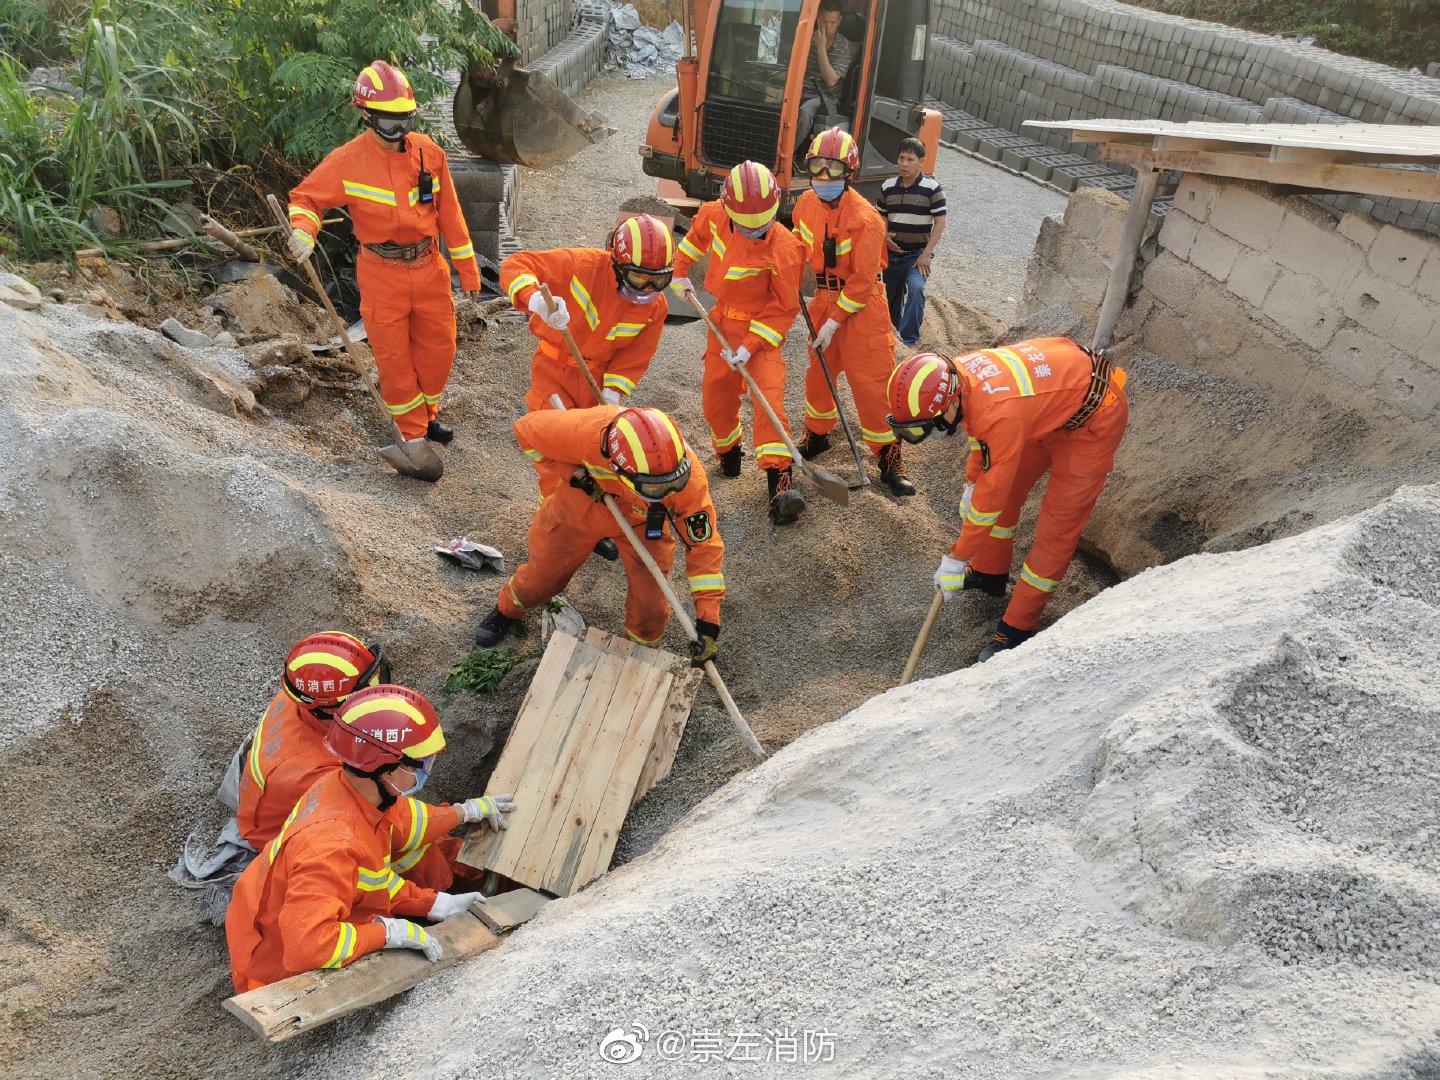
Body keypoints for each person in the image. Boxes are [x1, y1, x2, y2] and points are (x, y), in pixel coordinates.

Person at [226, 684, 514, 991]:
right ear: (387, 771)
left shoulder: (350, 789)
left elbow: (382, 866)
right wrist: (386, 933)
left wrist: (436, 903)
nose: (427, 770)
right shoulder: (331, 847)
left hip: (273, 918)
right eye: (420, 763)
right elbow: (307, 948)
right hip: (270, 970)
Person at [885, 339, 1128, 661]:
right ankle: (989, 573)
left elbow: (990, 501)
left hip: (1094, 417)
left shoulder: (1000, 411)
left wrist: (956, 559)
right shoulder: (960, 376)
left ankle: (1017, 628)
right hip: (1045, 410)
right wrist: (972, 483)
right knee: (1008, 494)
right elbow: (978, 434)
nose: (928, 435)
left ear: (948, 403)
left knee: (1057, 528)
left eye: (924, 428)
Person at [287, 60, 482, 447]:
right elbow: (306, 197)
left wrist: (469, 272)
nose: (399, 131)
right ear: (366, 116)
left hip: (429, 268)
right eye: (390, 122)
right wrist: (304, 231)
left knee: (439, 350)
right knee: (394, 361)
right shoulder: (347, 162)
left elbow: (451, 216)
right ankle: (411, 436)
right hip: (381, 274)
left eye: (405, 120)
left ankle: (427, 416)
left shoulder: (428, 153)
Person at [235, 632, 500, 895]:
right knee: (404, 851)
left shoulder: (299, 697)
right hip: (287, 834)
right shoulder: (318, 771)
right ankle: (450, 887)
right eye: (365, 690)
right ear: (331, 709)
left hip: (277, 805)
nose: (374, 692)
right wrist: (460, 813)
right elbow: (400, 827)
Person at [473, 405, 726, 665]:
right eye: (653, 487)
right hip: (581, 505)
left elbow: (704, 547)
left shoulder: (689, 480)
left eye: (672, 485)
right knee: (543, 578)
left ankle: (638, 656)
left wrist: (708, 621)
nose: (667, 492)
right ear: (618, 466)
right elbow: (524, 431)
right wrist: (574, 475)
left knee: (651, 606)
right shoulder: (584, 431)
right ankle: (507, 610)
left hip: (644, 523)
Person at [670, 160, 809, 525]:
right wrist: (679, 272)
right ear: (728, 208)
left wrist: (749, 346)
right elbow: (694, 241)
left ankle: (780, 487)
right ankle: (729, 452)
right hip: (720, 320)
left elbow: (783, 307)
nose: (755, 231)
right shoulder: (714, 214)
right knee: (716, 397)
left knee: (769, 401)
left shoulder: (786, 248)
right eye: (746, 225)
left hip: (760, 334)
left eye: (762, 224)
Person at [791, 127, 912, 497]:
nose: (823, 176)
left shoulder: (867, 219)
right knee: (819, 376)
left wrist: (834, 321)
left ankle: (889, 460)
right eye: (817, 166)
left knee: (872, 386)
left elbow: (862, 281)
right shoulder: (804, 205)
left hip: (862, 310)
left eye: (833, 168)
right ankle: (817, 435)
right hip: (823, 302)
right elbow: (797, 248)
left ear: (849, 173)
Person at [500, 213, 674, 417]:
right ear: (618, 265)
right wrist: (535, 299)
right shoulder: (581, 266)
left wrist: (613, 390)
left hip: (597, 381)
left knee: (588, 441)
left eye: (658, 280)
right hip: (554, 370)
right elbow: (516, 264)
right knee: (551, 433)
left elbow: (636, 354)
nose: (647, 288)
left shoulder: (656, 306)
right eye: (637, 277)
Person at [877, 137, 947, 348]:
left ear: (921, 162)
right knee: (890, 297)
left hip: (917, 257)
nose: (904, 164)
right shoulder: (888, 186)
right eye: (901, 158)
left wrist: (926, 254)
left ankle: (908, 341)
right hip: (891, 255)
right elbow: (881, 216)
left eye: (910, 159)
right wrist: (884, 235)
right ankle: (891, 336)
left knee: (916, 289)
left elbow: (941, 222)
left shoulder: (932, 188)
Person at [794, 0, 853, 157]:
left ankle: (786, 154)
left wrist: (820, 48)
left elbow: (831, 80)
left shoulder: (844, 47)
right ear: (817, 18)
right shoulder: (805, 38)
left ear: (839, 21)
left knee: (805, 112)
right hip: (800, 90)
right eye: (824, 22)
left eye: (832, 23)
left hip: (826, 97)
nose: (827, 28)